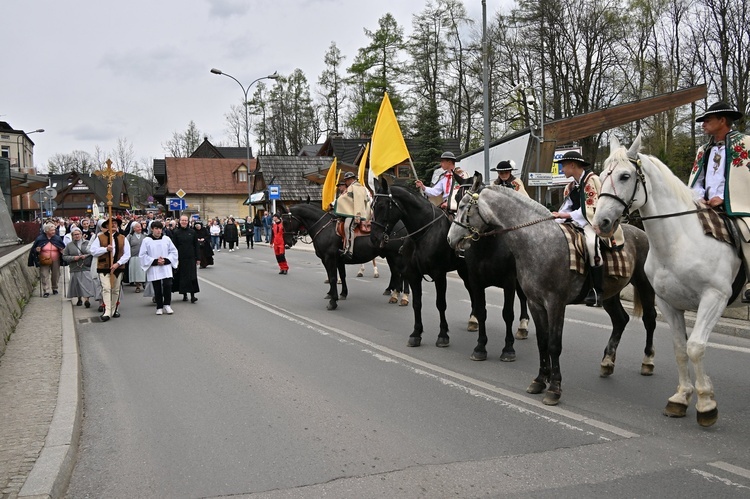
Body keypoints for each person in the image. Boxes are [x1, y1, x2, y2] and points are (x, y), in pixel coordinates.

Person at [688, 101, 750, 302]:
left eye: (707, 120)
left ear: (722, 120)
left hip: (738, 207)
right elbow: (697, 179)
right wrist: (700, 198)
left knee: (746, 232)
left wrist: (723, 198)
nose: (703, 124)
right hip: (704, 205)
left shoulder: (745, 144)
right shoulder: (703, 149)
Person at [551, 151, 622, 308]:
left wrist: (566, 215)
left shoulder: (592, 180)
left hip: (592, 222)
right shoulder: (571, 185)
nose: (562, 169)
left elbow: (591, 208)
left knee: (591, 245)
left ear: (572, 165)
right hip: (575, 221)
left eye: (563, 166)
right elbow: (567, 206)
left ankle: (597, 291)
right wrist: (557, 217)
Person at [90, 218, 131, 322]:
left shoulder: (122, 238)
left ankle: (114, 309)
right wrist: (105, 249)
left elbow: (127, 254)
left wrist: (118, 264)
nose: (113, 225)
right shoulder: (100, 237)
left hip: (118, 267)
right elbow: (93, 251)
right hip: (104, 267)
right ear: (106, 226)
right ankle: (107, 311)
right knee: (106, 288)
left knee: (116, 289)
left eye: (115, 223)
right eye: (111, 224)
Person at [139, 221, 179, 315]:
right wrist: (155, 261)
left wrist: (166, 260)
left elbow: (173, 252)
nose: (158, 231)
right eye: (156, 229)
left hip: (166, 266)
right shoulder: (147, 240)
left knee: (167, 285)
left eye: (160, 229)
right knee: (157, 287)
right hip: (154, 267)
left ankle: (167, 305)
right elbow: (143, 255)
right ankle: (159, 306)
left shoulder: (166, 239)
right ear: (152, 229)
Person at [334, 171, 370, 258]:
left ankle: (349, 251)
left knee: (348, 227)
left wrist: (357, 215)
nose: (345, 182)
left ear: (350, 179)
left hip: (354, 213)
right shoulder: (354, 187)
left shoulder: (356, 187)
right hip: (351, 212)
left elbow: (359, 201)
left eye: (346, 180)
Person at [28, 222, 65, 297]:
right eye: (52, 230)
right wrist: (37, 250)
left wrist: (62, 251)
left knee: (56, 275)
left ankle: (54, 288)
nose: (54, 232)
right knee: (44, 275)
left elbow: (62, 247)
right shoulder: (40, 238)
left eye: (54, 230)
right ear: (47, 231)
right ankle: (46, 290)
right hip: (44, 259)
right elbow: (33, 250)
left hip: (55, 259)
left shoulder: (57, 238)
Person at [62, 226, 95, 308]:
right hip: (75, 267)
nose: (77, 236)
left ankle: (86, 300)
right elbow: (64, 256)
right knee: (77, 284)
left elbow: (93, 253)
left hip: (85, 266)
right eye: (75, 234)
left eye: (78, 234)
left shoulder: (87, 243)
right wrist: (73, 258)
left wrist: (86, 256)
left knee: (87, 283)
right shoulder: (69, 245)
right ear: (72, 236)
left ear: (81, 234)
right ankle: (79, 298)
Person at [171, 215, 201, 303]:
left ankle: (193, 295)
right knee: (183, 277)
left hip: (191, 258)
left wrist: (198, 258)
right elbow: (174, 247)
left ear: (188, 222)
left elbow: (196, 245)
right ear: (179, 222)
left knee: (192, 276)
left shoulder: (192, 232)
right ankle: (184, 294)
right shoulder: (176, 233)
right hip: (181, 258)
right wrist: (175, 259)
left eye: (185, 220)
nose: (184, 222)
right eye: (182, 220)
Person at [127, 222, 147, 292]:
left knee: (143, 271)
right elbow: (126, 246)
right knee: (136, 272)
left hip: (143, 256)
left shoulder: (144, 235)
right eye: (138, 227)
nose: (140, 228)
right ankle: (137, 286)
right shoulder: (130, 236)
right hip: (134, 256)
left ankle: (144, 283)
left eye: (140, 227)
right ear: (134, 228)